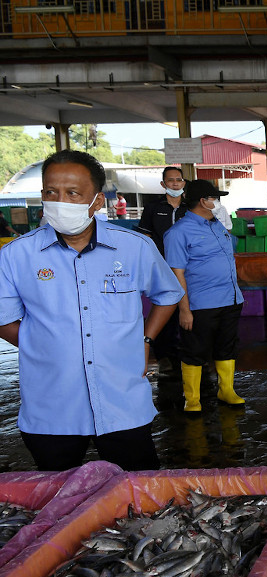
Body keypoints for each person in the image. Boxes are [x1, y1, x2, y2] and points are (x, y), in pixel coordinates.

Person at [0, 150, 183, 470]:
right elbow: (3, 319)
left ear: (97, 201)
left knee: (138, 494)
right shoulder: (17, 255)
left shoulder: (134, 247)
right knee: (57, 499)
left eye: (73, 193)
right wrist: (45, 346)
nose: (59, 201)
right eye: (50, 192)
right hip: (51, 409)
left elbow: (167, 294)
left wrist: (145, 340)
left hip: (122, 404)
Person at [164, 180, 245, 413]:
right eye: (214, 199)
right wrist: (184, 310)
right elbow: (176, 273)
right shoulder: (178, 232)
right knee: (194, 350)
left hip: (230, 299)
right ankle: (192, 399)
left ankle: (226, 390)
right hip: (201, 304)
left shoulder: (217, 225)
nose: (217, 203)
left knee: (227, 347)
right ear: (203, 201)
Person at [137, 166, 188, 374]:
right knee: (164, 308)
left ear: (184, 183)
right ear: (163, 184)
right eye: (171, 180)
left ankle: (188, 356)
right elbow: (145, 236)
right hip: (161, 267)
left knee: (187, 311)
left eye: (178, 180)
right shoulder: (152, 208)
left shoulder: (190, 208)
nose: (175, 183)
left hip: (187, 268)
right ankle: (164, 357)